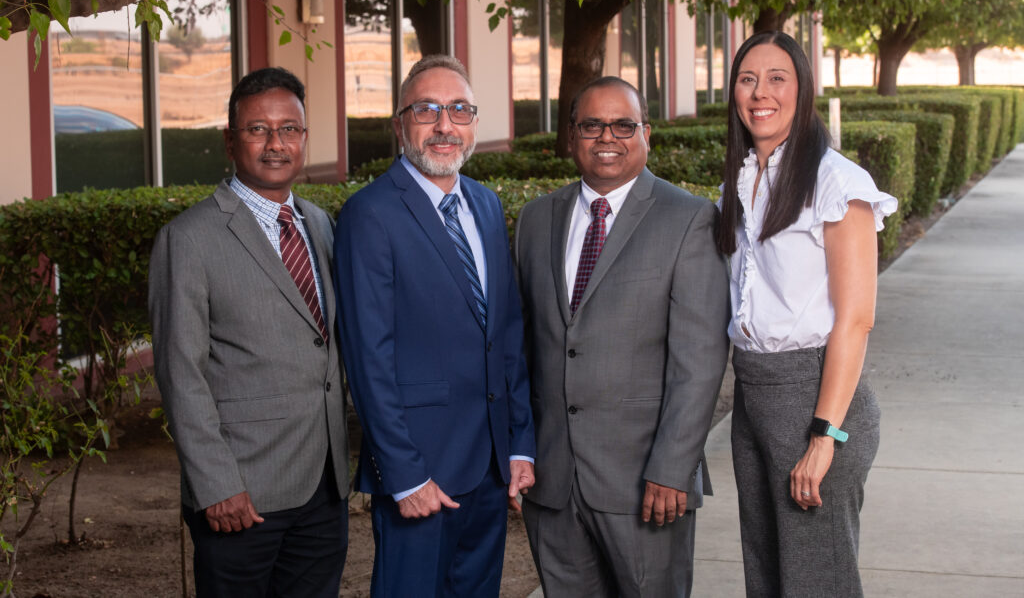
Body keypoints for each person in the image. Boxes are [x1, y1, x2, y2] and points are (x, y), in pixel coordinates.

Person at [514, 75, 731, 596]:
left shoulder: (691, 219)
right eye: (591, 125)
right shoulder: (535, 220)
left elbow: (698, 362)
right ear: (571, 136)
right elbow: (522, 351)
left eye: (622, 124)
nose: (606, 137)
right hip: (554, 483)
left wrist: (673, 468)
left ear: (646, 134)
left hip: (647, 485)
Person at [333, 54, 535, 597]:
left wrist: (519, 445)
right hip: (420, 473)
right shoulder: (369, 215)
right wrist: (403, 475)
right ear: (400, 124)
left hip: (491, 467)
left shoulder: (487, 206)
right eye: (427, 110)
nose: (445, 125)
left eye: (459, 110)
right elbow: (368, 359)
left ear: (473, 122)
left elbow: (506, 336)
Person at [149, 67, 349, 597]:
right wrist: (216, 485)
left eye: (289, 129)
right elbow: (179, 374)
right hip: (242, 494)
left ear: (304, 138)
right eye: (258, 129)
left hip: (324, 483)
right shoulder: (188, 240)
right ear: (230, 140)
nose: (275, 143)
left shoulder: (321, 224)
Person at [718, 31, 897, 597]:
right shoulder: (744, 180)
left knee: (817, 583)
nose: (760, 92)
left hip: (817, 402)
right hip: (754, 397)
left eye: (777, 78)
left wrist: (824, 438)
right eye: (748, 79)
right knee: (767, 577)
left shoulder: (836, 183)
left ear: (803, 90)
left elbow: (856, 319)